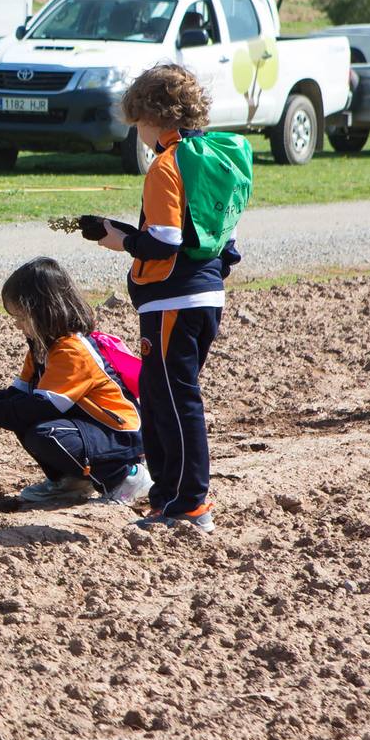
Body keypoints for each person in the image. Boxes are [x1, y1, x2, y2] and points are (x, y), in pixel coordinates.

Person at [80, 64, 249, 532]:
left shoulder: (165, 164)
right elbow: (216, 238)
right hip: (206, 295)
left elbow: (165, 242)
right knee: (159, 398)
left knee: (175, 401)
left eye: (138, 125)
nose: (139, 134)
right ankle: (167, 498)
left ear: (152, 118)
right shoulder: (218, 156)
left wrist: (122, 242)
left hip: (172, 301)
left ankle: (189, 504)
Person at [0, 257, 151, 505]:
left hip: (118, 435)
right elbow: (17, 395)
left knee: (44, 432)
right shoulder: (41, 349)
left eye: (21, 317)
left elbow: (41, 406)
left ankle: (126, 477)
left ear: (44, 312)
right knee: (21, 418)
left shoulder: (71, 351)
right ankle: (72, 481)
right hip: (88, 428)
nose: (17, 325)